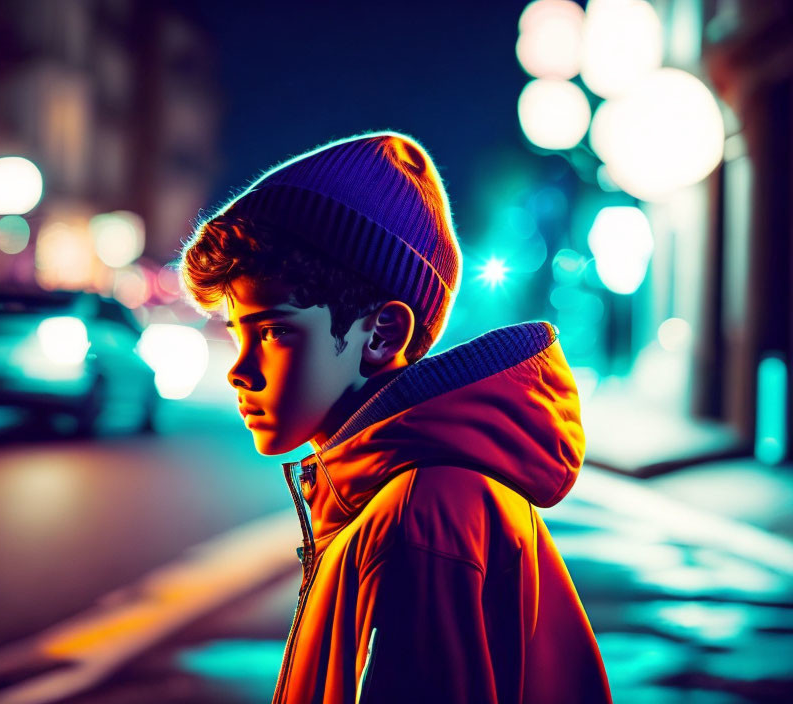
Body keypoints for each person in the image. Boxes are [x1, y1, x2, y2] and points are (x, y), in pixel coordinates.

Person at [177, 131, 612, 703]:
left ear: (382, 334)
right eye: (238, 334)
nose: (239, 371)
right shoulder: (396, 496)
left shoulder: (420, 516)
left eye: (276, 331)